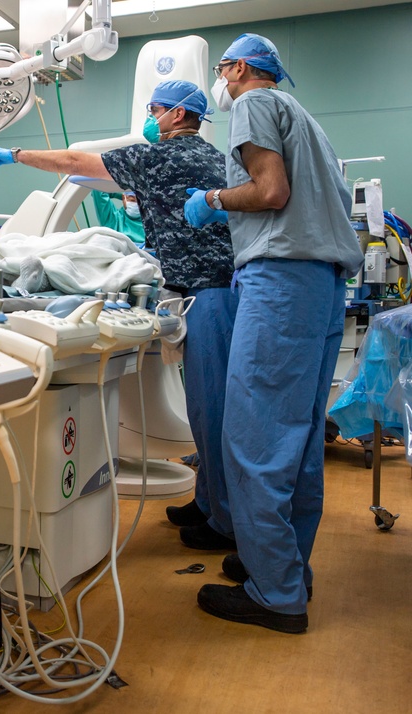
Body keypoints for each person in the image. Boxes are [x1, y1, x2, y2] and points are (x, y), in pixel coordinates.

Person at [0, 80, 239, 552]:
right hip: (210, 290)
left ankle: (225, 523)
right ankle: (208, 503)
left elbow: (77, 164)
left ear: (178, 116)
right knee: (206, 410)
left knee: (212, 411)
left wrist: (15, 154)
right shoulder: (215, 157)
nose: (150, 117)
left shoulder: (161, 156)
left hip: (209, 294)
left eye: (155, 109)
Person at [185, 34, 363, 634]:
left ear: (238, 68)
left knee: (254, 435)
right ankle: (285, 566)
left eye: (222, 70)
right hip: (321, 286)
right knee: (298, 438)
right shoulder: (308, 123)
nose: (221, 81)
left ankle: (276, 595)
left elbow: (269, 191)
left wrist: (211, 198)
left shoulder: (253, 104)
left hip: (280, 280)